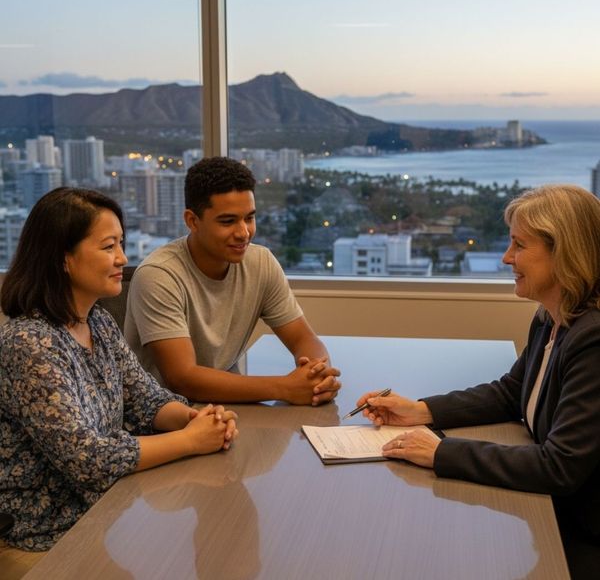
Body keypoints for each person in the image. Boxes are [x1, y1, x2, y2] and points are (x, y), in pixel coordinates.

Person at [356, 184, 600, 579]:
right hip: (552, 515)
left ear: (564, 252)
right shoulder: (552, 317)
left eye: (519, 246)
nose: (507, 258)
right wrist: (420, 410)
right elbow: (510, 393)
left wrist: (441, 451)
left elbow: (559, 467)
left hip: (581, 536)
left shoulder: (593, 339)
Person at [0, 188, 238, 569]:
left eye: (121, 245)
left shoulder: (96, 320)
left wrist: (195, 419)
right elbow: (87, 459)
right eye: (108, 247)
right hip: (41, 538)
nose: (123, 259)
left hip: (101, 514)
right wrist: (190, 441)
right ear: (64, 258)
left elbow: (146, 399)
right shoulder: (30, 342)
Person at [125, 156, 341, 405]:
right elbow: (182, 378)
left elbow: (303, 339)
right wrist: (284, 388)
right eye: (228, 221)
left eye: (249, 218)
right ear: (192, 221)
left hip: (227, 408)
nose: (243, 232)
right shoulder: (159, 275)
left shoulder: (260, 262)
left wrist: (318, 374)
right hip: (162, 417)